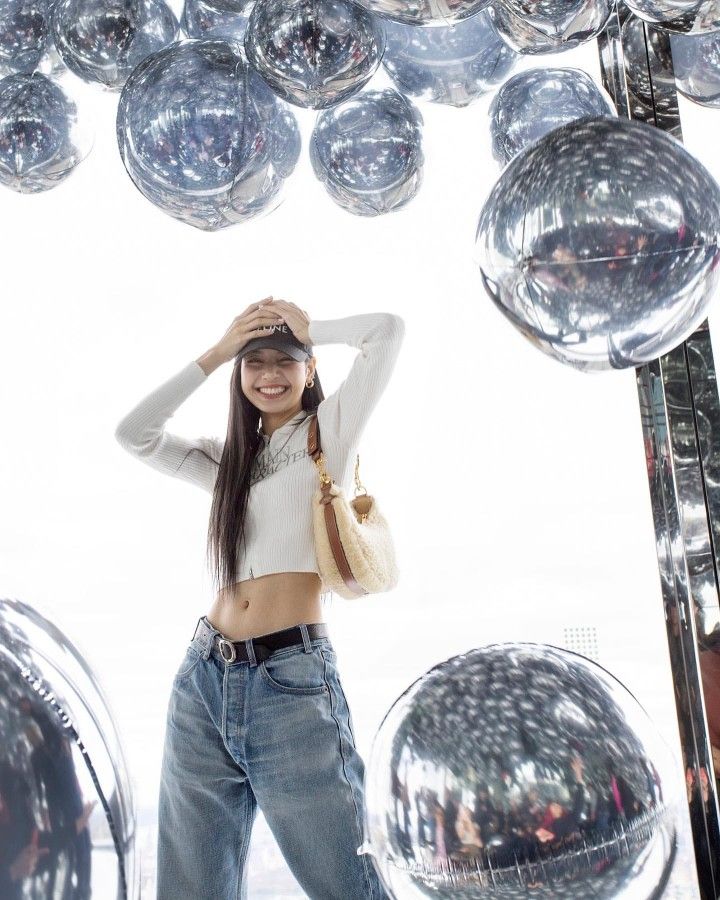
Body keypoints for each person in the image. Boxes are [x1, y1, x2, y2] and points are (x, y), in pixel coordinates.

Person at [114, 297, 405, 899]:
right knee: (189, 887)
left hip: (289, 679)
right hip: (203, 678)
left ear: (309, 369)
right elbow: (134, 434)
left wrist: (311, 327)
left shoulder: (333, 432)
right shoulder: (228, 462)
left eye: (285, 360)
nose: (269, 375)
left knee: (344, 880)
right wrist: (218, 351)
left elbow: (386, 331)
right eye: (254, 364)